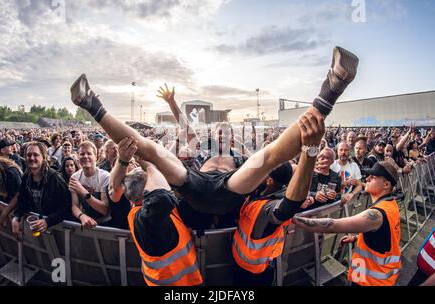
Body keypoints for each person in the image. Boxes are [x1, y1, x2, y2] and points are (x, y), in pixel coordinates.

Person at [70, 46, 359, 216]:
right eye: (217, 132)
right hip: (195, 183)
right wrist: (172, 103)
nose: (220, 135)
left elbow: (275, 161)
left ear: (231, 136)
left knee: (269, 156)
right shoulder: (204, 148)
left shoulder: (239, 154)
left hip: (231, 187)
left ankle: (332, 87)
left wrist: (245, 148)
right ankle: (91, 103)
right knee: (151, 150)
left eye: (225, 132)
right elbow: (184, 129)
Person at [232, 115, 324, 285]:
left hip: (256, 275)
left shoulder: (267, 207)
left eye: (263, 172)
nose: (256, 173)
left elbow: (288, 206)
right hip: (239, 265)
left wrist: (310, 150)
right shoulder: (258, 192)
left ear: (269, 180)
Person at [293, 160, 401, 286]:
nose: (368, 178)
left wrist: (294, 218)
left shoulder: (377, 214)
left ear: (386, 184)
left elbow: (331, 225)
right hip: (378, 277)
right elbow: (385, 235)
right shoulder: (390, 204)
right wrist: (356, 238)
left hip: (371, 281)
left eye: (374, 176)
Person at [116, 137, 203, 286]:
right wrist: (151, 168)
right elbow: (162, 197)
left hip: (178, 280)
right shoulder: (146, 218)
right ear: (146, 193)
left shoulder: (143, 211)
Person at [11, 142, 71, 239]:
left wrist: (48, 221)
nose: (31, 158)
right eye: (28, 155)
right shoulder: (26, 177)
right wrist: (16, 217)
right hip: (39, 230)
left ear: (43, 157)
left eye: (36, 155)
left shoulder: (54, 178)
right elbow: (22, 201)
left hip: (57, 230)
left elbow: (67, 207)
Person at [69, 141, 110, 229]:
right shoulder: (75, 177)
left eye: (89, 153)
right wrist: (82, 216)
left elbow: (105, 210)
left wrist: (84, 192)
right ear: (78, 157)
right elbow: (74, 205)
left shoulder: (105, 177)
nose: (85, 156)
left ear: (96, 157)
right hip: (85, 222)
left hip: (104, 224)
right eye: (82, 154)